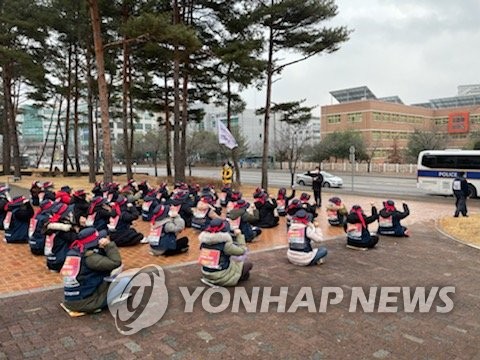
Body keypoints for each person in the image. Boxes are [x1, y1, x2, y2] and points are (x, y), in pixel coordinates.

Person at [61, 228, 123, 313]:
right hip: (84, 303)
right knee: (125, 282)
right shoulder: (90, 258)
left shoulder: (74, 252)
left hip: (71, 300)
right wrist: (109, 245)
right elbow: (116, 262)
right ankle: (106, 302)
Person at [198, 218, 252, 286]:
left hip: (206, 273)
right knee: (248, 265)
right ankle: (231, 279)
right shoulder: (225, 245)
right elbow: (242, 251)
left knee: (234, 264)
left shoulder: (203, 241)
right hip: (221, 275)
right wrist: (239, 235)